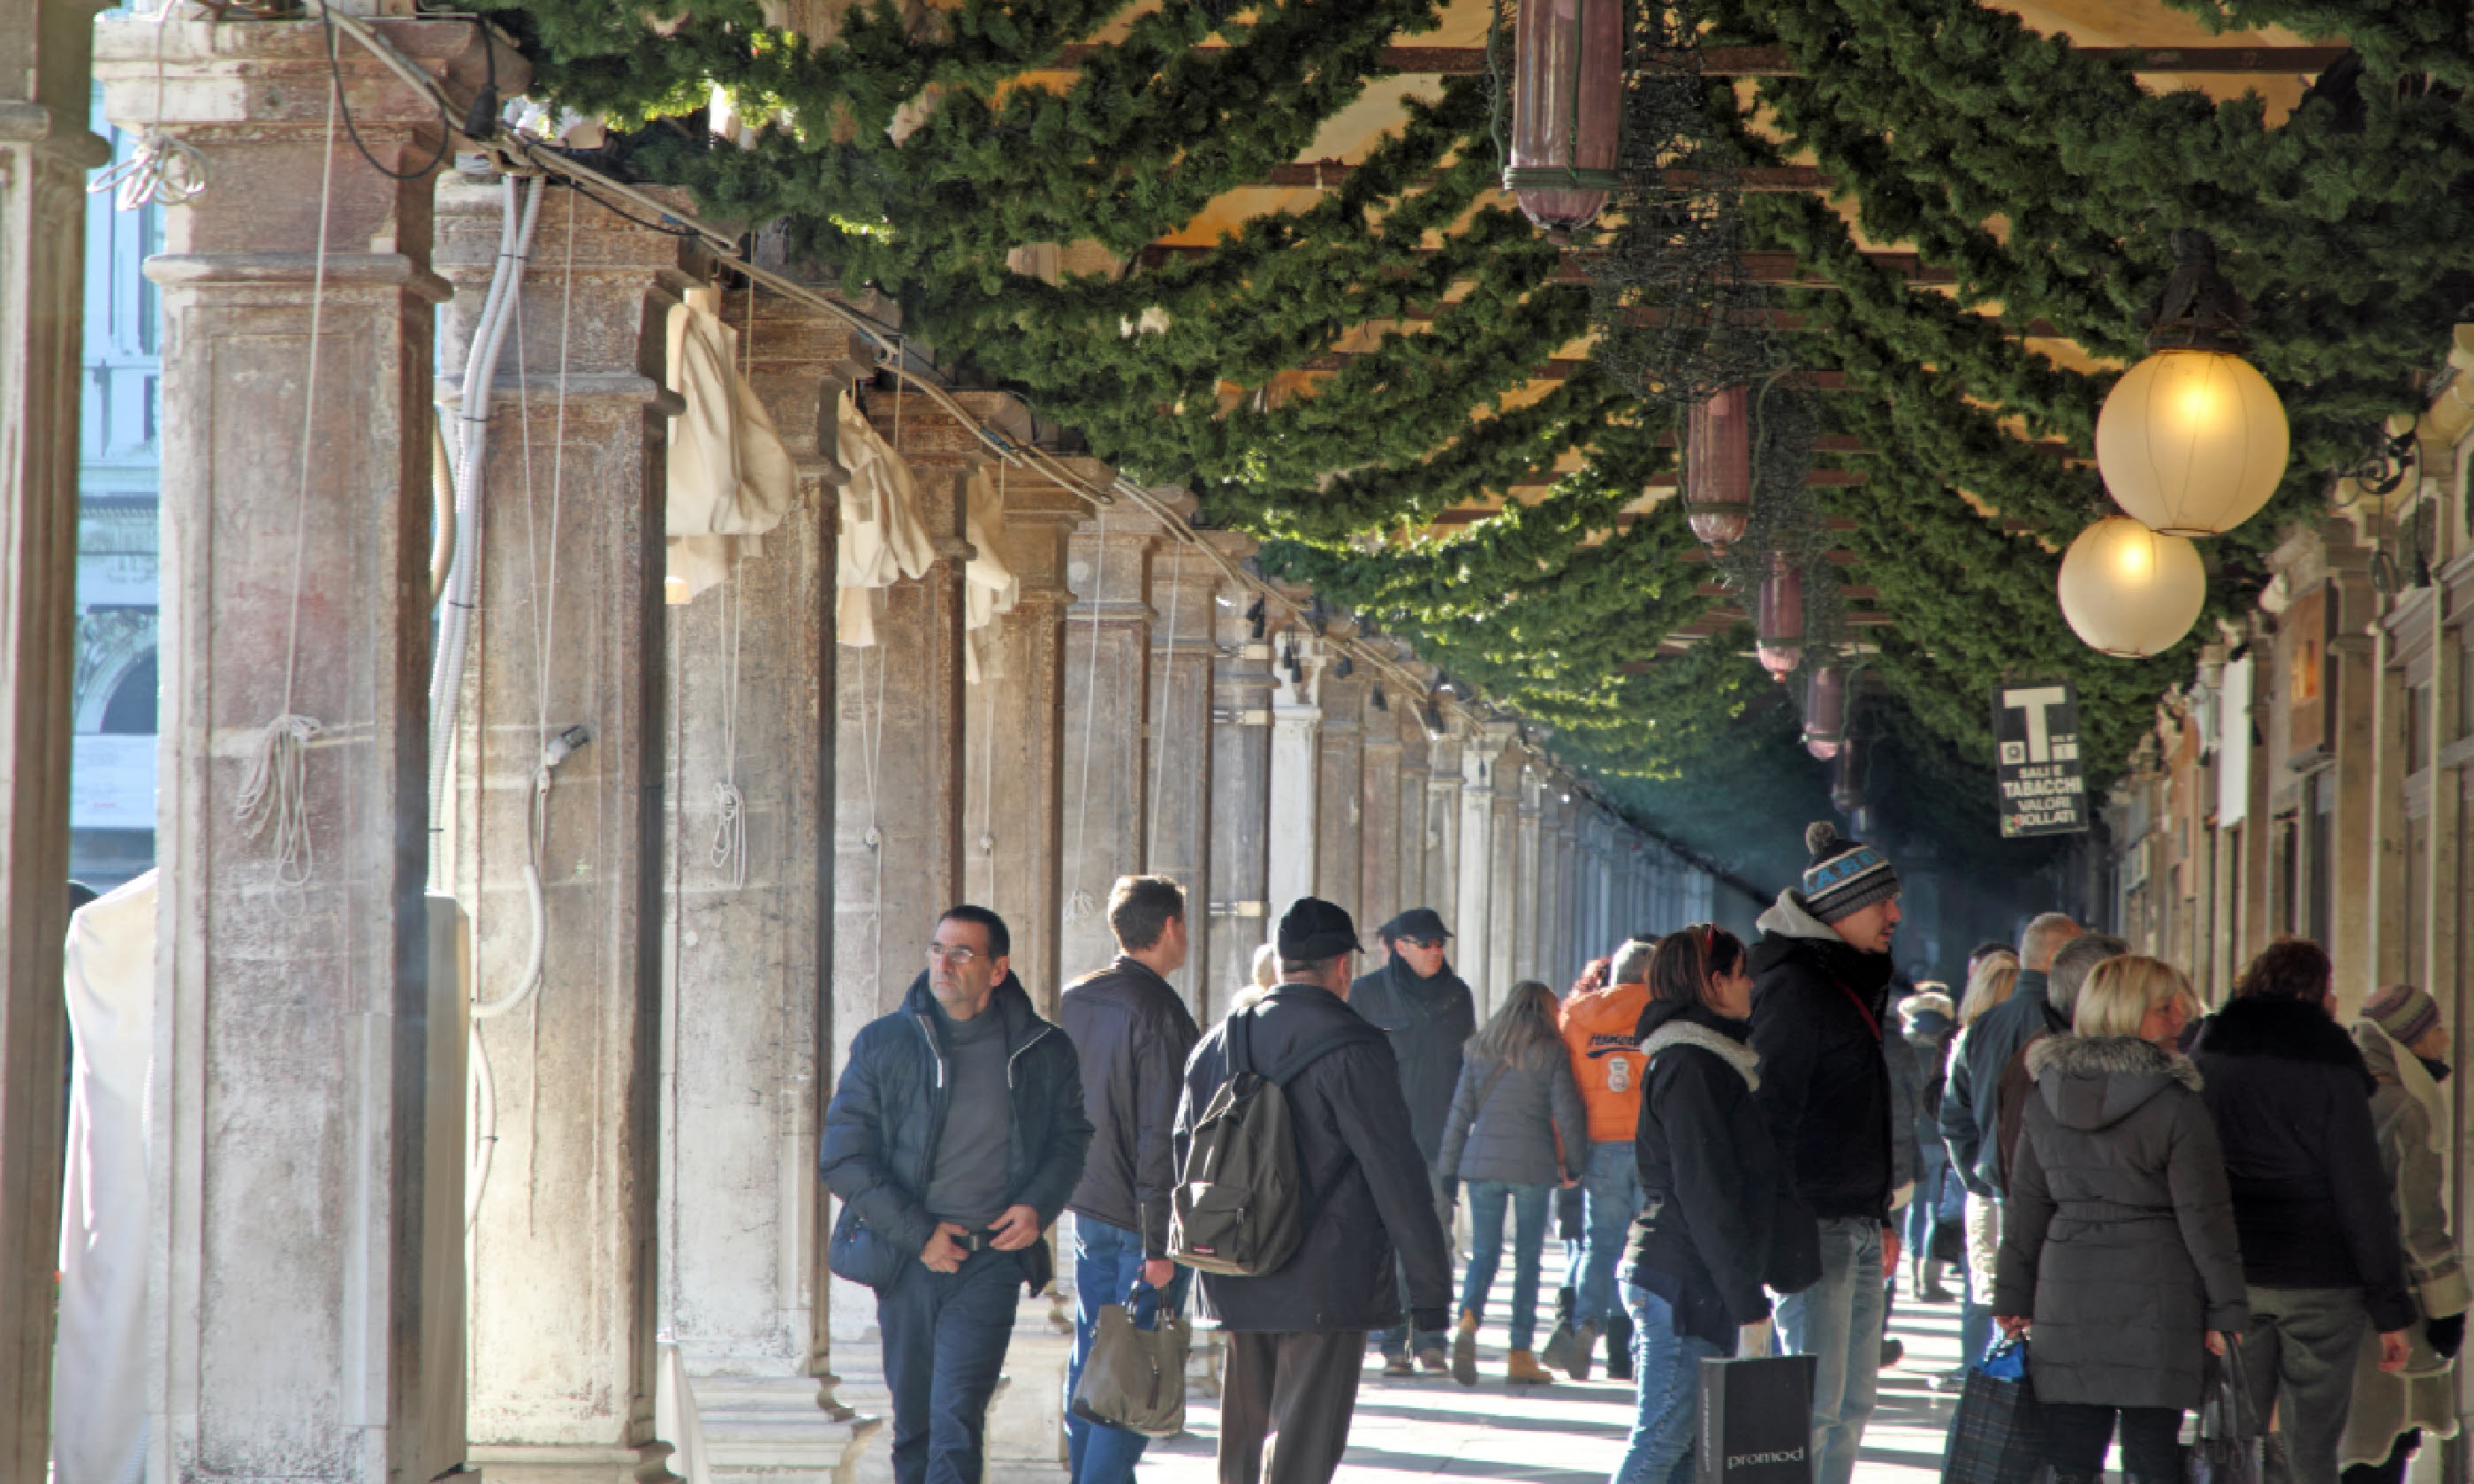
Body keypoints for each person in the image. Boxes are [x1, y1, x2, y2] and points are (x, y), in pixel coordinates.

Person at [1175, 897, 1453, 1484]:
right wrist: (1428, 1292)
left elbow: (1179, 1151)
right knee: (1302, 1452)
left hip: (1234, 1268)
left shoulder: (1219, 1041)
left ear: (1279, 963)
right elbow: (1395, 1173)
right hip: (1326, 1282)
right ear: (1342, 969)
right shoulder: (1356, 1047)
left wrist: (1170, 1249)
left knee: (1243, 1449)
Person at [820, 906, 1094, 1484]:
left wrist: (1038, 1204)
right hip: (908, 1259)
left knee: (957, 1417)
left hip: (989, 1260)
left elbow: (1071, 1140)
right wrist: (920, 1236)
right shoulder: (884, 1044)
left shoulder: (1044, 1050)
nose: (942, 964)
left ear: (998, 970)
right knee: (915, 1423)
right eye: (937, 949)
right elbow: (843, 1157)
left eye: (962, 953)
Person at [1993, 955, 2248, 1484]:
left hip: (2067, 1294)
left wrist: (2013, 1297)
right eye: (2165, 1008)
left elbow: (2027, 1208)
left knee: (2072, 1461)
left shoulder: (2044, 1095)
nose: (2182, 1019)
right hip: (2160, 1297)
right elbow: (2205, 1217)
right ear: (2127, 1014)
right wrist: (2226, 1308)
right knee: (2154, 1459)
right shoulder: (2176, 1104)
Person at [2190, 939, 2416, 1484]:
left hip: (2234, 1275)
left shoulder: (2209, 1055)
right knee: (2309, 1450)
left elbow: (2190, 1174)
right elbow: (2360, 1193)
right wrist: (2390, 1308)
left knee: (2231, 1443)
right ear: (2317, 993)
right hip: (2321, 1279)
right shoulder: (2333, 1066)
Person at [1614, 924, 1806, 1484]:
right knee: (1662, 1441)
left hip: (1700, 1276)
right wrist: (1748, 1303)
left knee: (1687, 1453)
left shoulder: (1717, 1059)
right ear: (1713, 982)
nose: (1752, 986)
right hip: (1682, 1277)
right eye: (1743, 975)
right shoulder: (1690, 1064)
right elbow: (1705, 1192)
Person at [1746, 822, 1905, 1484]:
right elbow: (1771, 1112)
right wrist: (1781, 1224)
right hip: (1814, 1224)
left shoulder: (1848, 979)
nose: (1895, 915)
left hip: (1859, 1221)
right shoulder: (1797, 987)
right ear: (1840, 911)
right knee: (1814, 1409)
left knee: (1852, 1405)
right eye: (1881, 903)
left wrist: (1882, 1213)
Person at [1058, 876, 1204, 1484]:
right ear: (1170, 927)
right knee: (1131, 1376)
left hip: (1089, 1206)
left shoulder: (1076, 998)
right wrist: (1159, 1245)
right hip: (1142, 1221)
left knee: (1094, 1356)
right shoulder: (1161, 1012)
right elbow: (1159, 1137)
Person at [2338, 985, 2469, 1484]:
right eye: (2435, 1027)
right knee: (2389, 1438)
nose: (2444, 1038)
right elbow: (2419, 1224)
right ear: (2409, 1039)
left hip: (2341, 1296)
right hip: (2397, 1303)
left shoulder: (2346, 1092)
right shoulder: (2405, 1108)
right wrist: (2448, 1308)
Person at [1940, 913, 2080, 1372]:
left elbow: (1953, 1114)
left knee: (2004, 1321)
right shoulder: (2069, 1028)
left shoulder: (1982, 1027)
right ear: (2060, 960)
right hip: (2051, 1208)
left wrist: (1979, 1174)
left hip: (1995, 1193)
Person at [1438, 979, 1589, 1386]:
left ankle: (1468, 1321)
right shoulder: (1550, 1052)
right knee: (1527, 1260)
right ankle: (1519, 1354)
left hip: (1482, 1166)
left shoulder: (1479, 1049)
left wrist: (1448, 1172)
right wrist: (1577, 1165)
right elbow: (1568, 1113)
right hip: (1532, 1168)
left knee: (1484, 1253)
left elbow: (1459, 1116)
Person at [1349, 906, 1477, 1375]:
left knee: (1435, 1239)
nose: (1435, 953)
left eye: (1440, 944)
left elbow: (1468, 1069)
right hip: (1383, 1139)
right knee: (1385, 1239)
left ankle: (1430, 1339)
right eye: (1425, 944)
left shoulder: (1457, 996)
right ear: (1399, 947)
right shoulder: (1365, 995)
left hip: (1440, 1139)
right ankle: (1391, 1342)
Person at [1550, 936, 1656, 1381]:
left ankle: (1585, 1323)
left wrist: (1564, 1154)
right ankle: (1638, 1344)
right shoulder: (1665, 1011)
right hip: (1653, 1145)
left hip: (1601, 1144)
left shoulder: (1577, 1015)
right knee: (1649, 1250)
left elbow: (1564, 1090)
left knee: (1602, 1243)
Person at [1897, 981, 1957, 1302]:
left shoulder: (1903, 1045)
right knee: (1937, 1208)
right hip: (1942, 1136)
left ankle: (1912, 1275)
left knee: (1913, 1210)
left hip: (1910, 1138)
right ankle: (1930, 1279)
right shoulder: (1951, 1045)